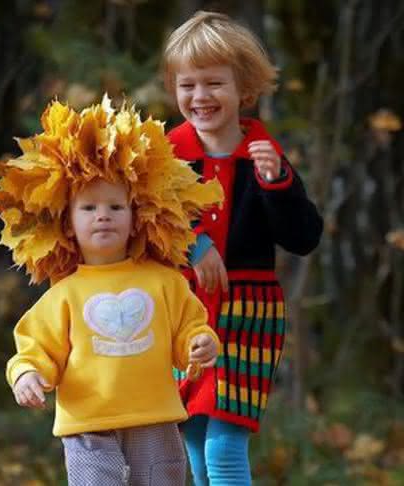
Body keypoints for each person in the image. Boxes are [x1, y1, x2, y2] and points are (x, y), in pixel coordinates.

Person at [0, 97, 223, 485]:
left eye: (116, 207)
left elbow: (189, 327)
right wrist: (27, 374)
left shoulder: (163, 281)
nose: (103, 215)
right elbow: (36, 348)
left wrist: (201, 342)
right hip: (87, 424)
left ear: (137, 219)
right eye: (89, 209)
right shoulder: (63, 295)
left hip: (155, 415)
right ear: (68, 225)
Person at [160, 10, 324, 485]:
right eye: (187, 85)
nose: (200, 97)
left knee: (225, 444)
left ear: (244, 89)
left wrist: (277, 183)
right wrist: (195, 245)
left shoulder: (262, 156)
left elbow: (304, 237)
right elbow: (147, 225)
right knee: (191, 434)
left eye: (214, 83)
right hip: (184, 308)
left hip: (247, 311)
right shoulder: (163, 158)